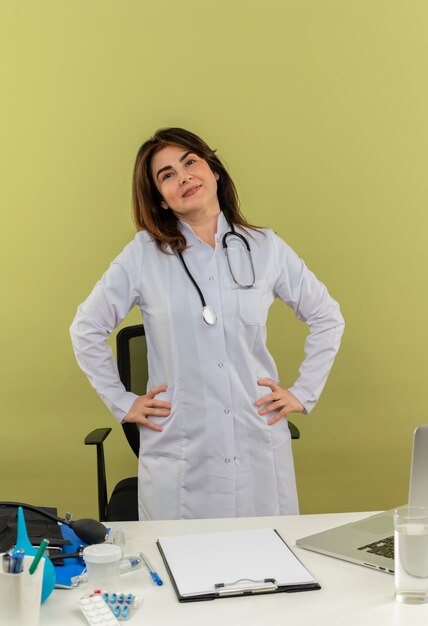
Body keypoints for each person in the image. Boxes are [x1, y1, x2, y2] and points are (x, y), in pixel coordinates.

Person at [70, 127, 344, 521]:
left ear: (214, 170)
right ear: (160, 200)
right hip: (183, 452)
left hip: (256, 442)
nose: (183, 177)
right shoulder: (144, 255)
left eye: (190, 162)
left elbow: (327, 316)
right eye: (166, 175)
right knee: (177, 570)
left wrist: (304, 392)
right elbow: (85, 328)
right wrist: (123, 402)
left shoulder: (265, 247)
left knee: (267, 564)